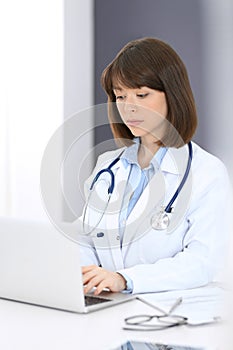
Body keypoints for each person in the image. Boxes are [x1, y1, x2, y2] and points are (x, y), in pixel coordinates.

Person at [78, 37, 232, 295]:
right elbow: (84, 239)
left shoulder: (207, 173)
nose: (129, 107)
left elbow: (203, 262)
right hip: (106, 306)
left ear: (172, 94)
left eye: (141, 94)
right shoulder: (108, 167)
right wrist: (87, 278)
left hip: (169, 314)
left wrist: (124, 279)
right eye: (120, 96)